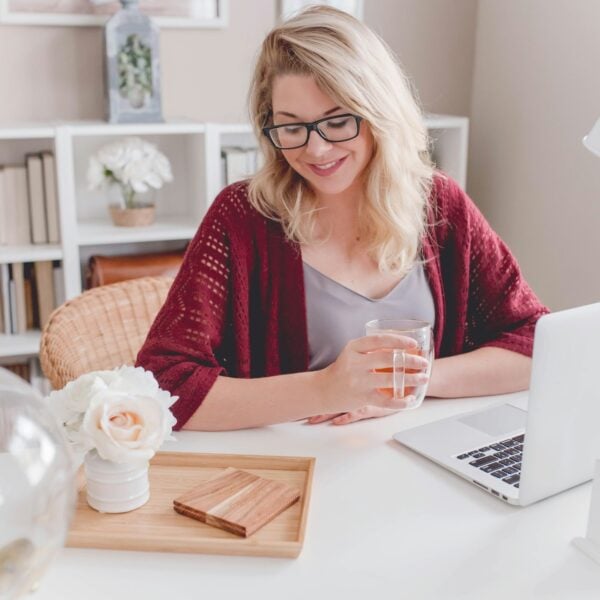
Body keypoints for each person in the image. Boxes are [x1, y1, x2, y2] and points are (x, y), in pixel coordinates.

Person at [136, 6, 548, 431]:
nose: (315, 150)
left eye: (337, 121)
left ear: (379, 113)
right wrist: (327, 388)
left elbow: (536, 343)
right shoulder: (242, 218)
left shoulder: (440, 205)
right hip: (293, 472)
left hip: (416, 460)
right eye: (291, 126)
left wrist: (409, 382)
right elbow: (163, 385)